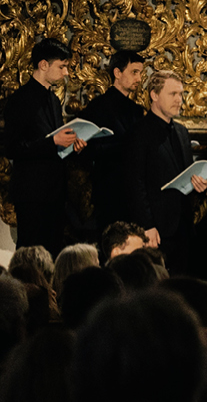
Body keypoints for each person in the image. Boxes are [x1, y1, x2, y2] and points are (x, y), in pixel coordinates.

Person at [4, 37, 82, 250]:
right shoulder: (19, 100)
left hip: (55, 193)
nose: (66, 73)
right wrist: (53, 142)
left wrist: (72, 145)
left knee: (53, 252)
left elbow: (55, 144)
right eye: (62, 66)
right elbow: (11, 147)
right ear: (43, 64)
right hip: (31, 194)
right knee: (31, 254)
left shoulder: (54, 100)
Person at [129, 69, 204, 270]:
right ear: (154, 95)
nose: (179, 100)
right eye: (173, 94)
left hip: (183, 224)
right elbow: (136, 182)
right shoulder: (138, 132)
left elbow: (185, 173)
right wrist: (147, 225)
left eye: (181, 94)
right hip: (156, 227)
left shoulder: (181, 131)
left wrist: (200, 183)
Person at [79, 49, 147, 228]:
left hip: (132, 191)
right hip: (107, 190)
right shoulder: (97, 107)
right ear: (117, 73)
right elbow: (86, 149)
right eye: (134, 72)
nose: (139, 79)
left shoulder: (136, 110)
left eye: (140, 73)